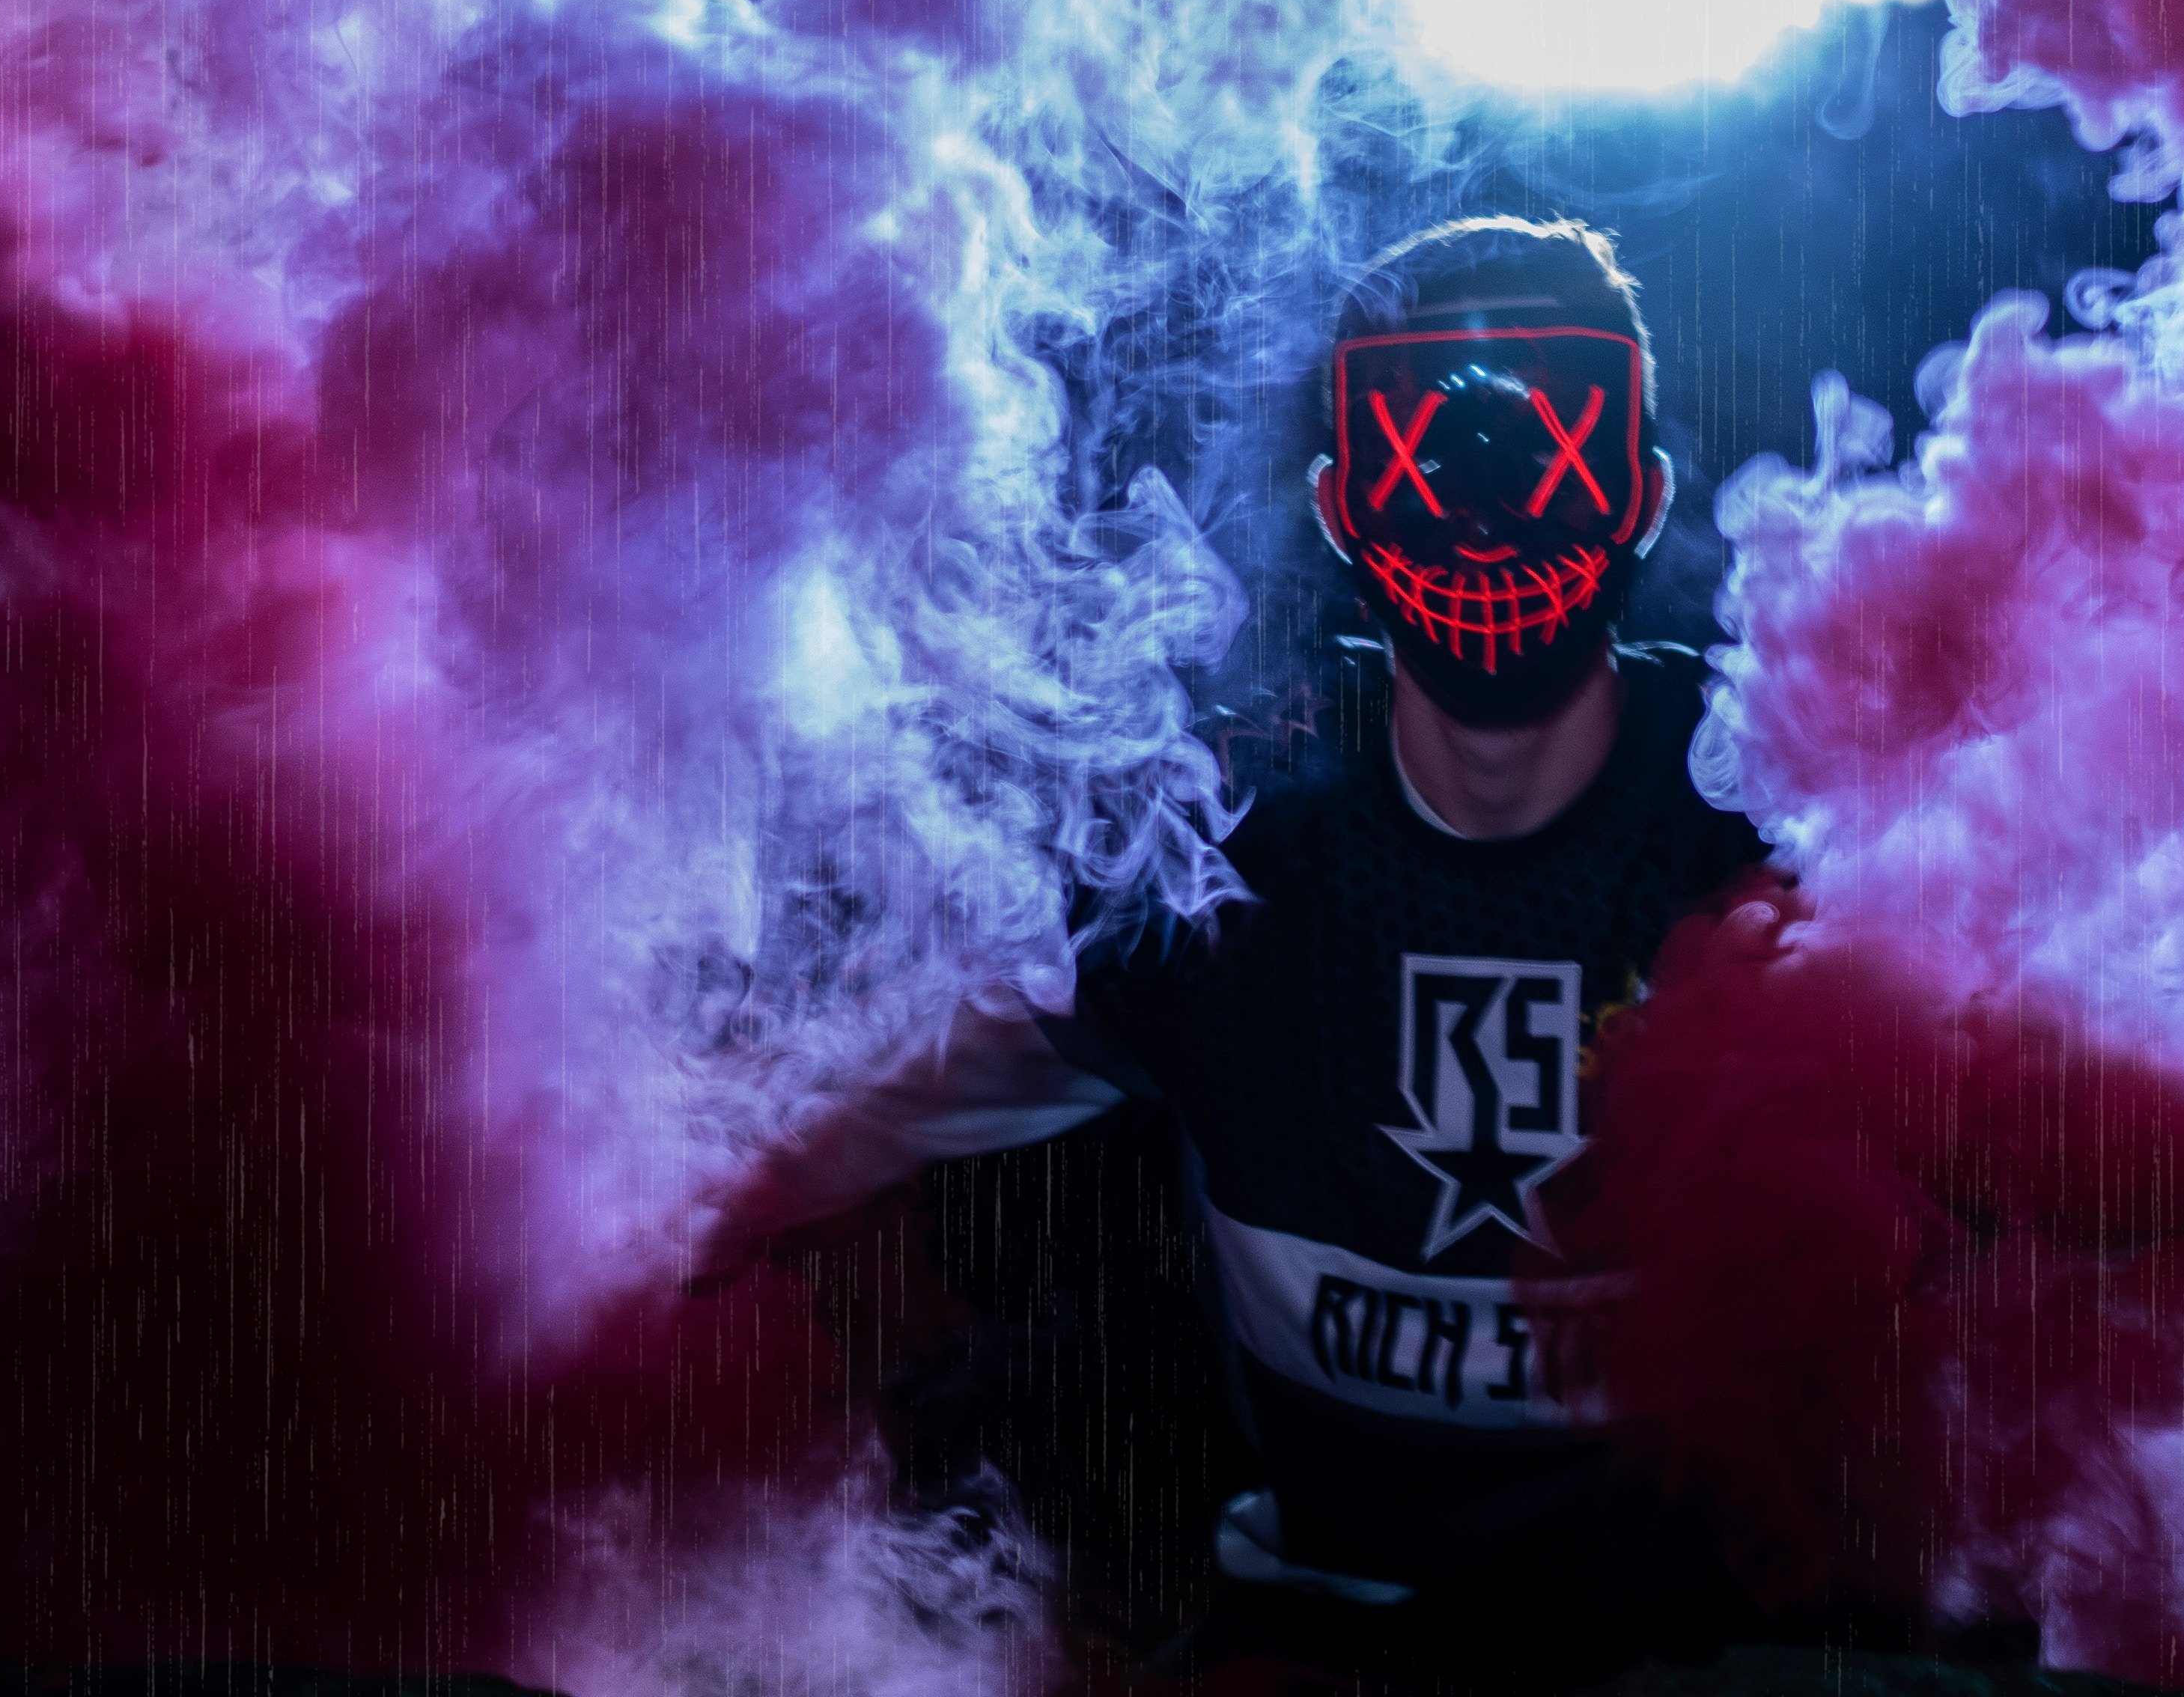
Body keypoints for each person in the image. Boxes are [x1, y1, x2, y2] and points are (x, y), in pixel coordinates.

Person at [714, 216, 1777, 1681]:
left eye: (1542, 441)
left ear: (1640, 494)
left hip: (1712, 1651)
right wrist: (573, 1252)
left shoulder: (1777, 816)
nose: (1483, 508)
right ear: (1342, 509)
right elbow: (829, 1127)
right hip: (1314, 1632)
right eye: (1430, 448)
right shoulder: (1221, 852)